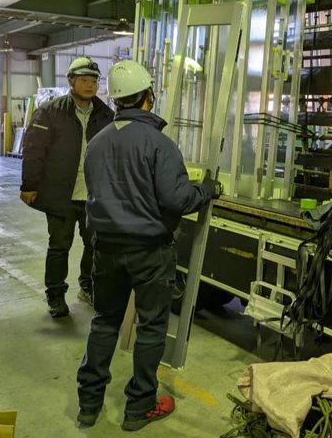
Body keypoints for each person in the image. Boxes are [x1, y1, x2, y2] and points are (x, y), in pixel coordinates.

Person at [76, 59, 222, 431]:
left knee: (104, 323)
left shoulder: (96, 142)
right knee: (152, 328)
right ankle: (139, 406)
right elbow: (178, 199)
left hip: (105, 249)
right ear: (148, 97)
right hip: (149, 251)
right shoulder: (159, 144)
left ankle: (89, 404)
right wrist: (207, 190)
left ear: (117, 99)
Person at [20, 56, 113, 318]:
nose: (90, 84)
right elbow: (34, 151)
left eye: (94, 80)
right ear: (71, 81)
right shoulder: (50, 112)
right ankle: (56, 295)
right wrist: (29, 185)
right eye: (84, 79)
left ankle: (88, 286)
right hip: (61, 194)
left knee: (94, 245)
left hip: (93, 195)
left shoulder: (106, 115)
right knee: (59, 246)